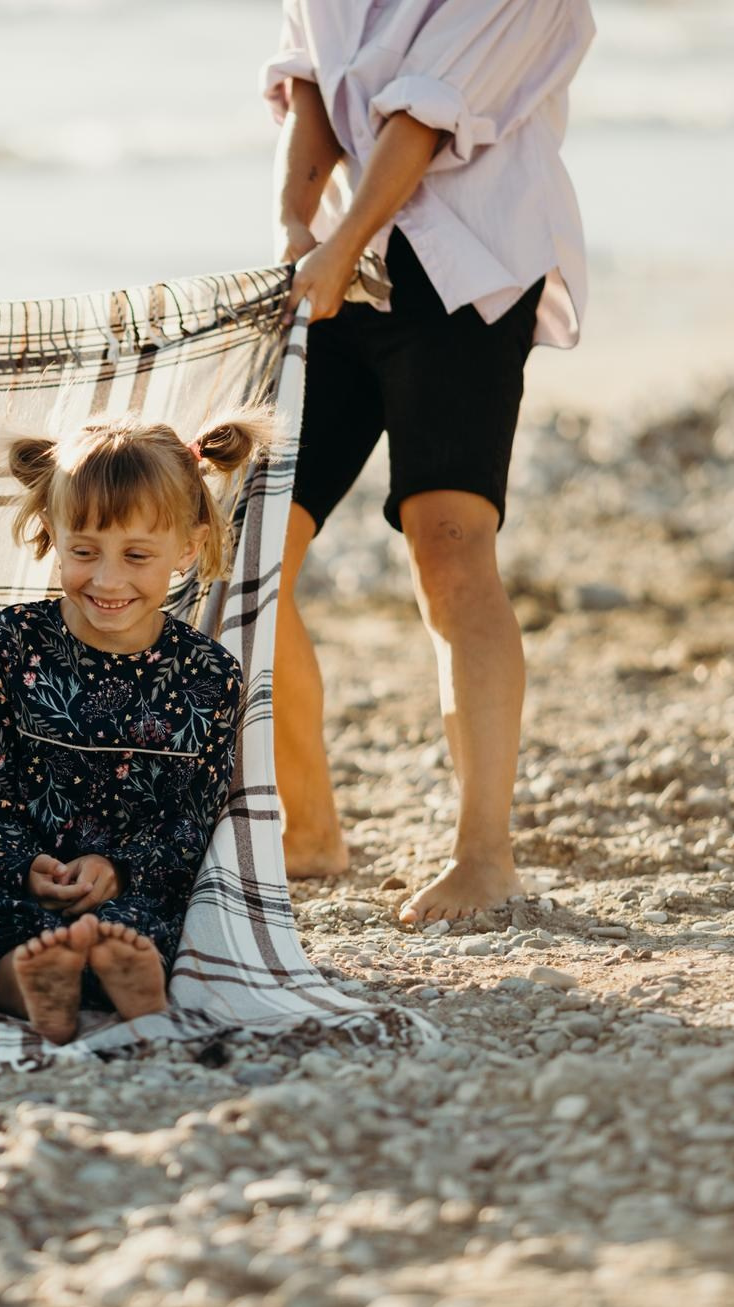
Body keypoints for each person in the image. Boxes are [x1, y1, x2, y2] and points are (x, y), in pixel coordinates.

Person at [262, 0, 594, 923]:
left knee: (449, 550)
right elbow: (312, 77)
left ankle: (485, 858)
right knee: (248, 546)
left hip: (467, 264)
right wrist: (294, 224)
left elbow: (424, 110)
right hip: (341, 262)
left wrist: (339, 245)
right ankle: (308, 829)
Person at [0, 413, 263, 1044]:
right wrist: (23, 864)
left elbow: (190, 821)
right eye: (84, 552)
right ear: (52, 533)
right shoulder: (11, 642)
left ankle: (123, 970)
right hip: (16, 881)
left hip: (129, 889)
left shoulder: (209, 673)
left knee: (146, 924)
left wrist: (117, 869)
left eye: (137, 555)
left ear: (188, 548)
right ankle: (29, 979)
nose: (108, 580)